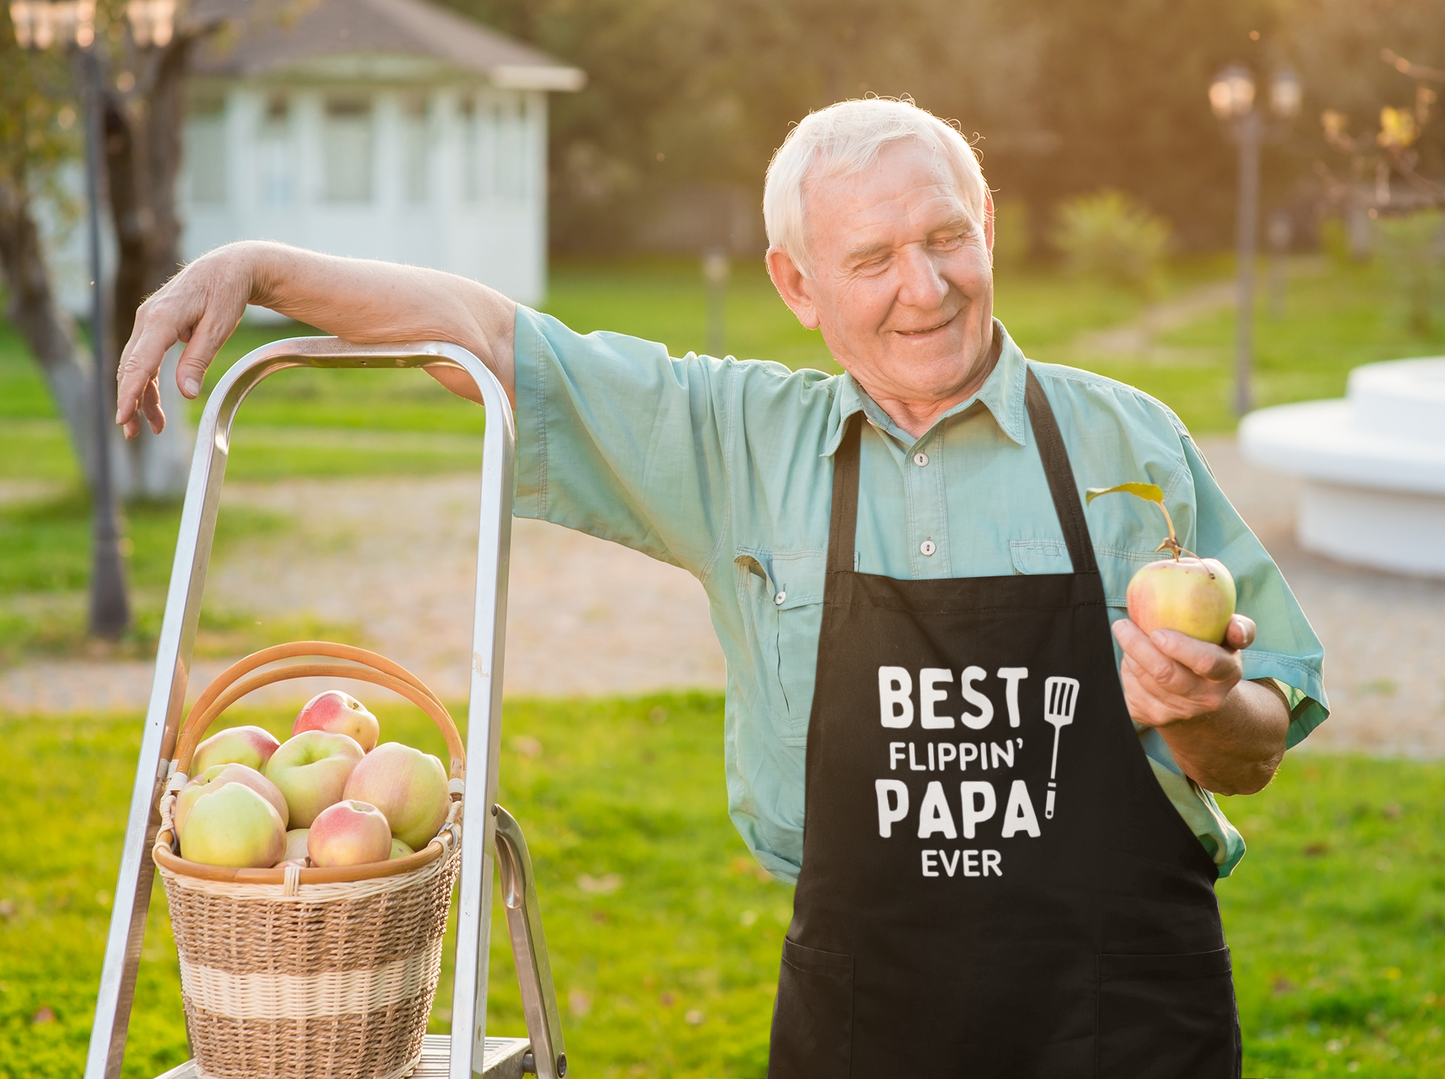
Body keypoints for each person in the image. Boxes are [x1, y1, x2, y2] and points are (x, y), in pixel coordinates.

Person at [117, 98, 1326, 1077]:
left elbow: (1256, 743)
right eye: (871, 257)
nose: (925, 285)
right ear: (796, 285)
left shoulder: (1128, 443)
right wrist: (259, 264)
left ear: (987, 226)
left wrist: (1203, 705)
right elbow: (484, 337)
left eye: (945, 237)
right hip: (872, 1012)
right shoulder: (730, 439)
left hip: (1121, 1012)